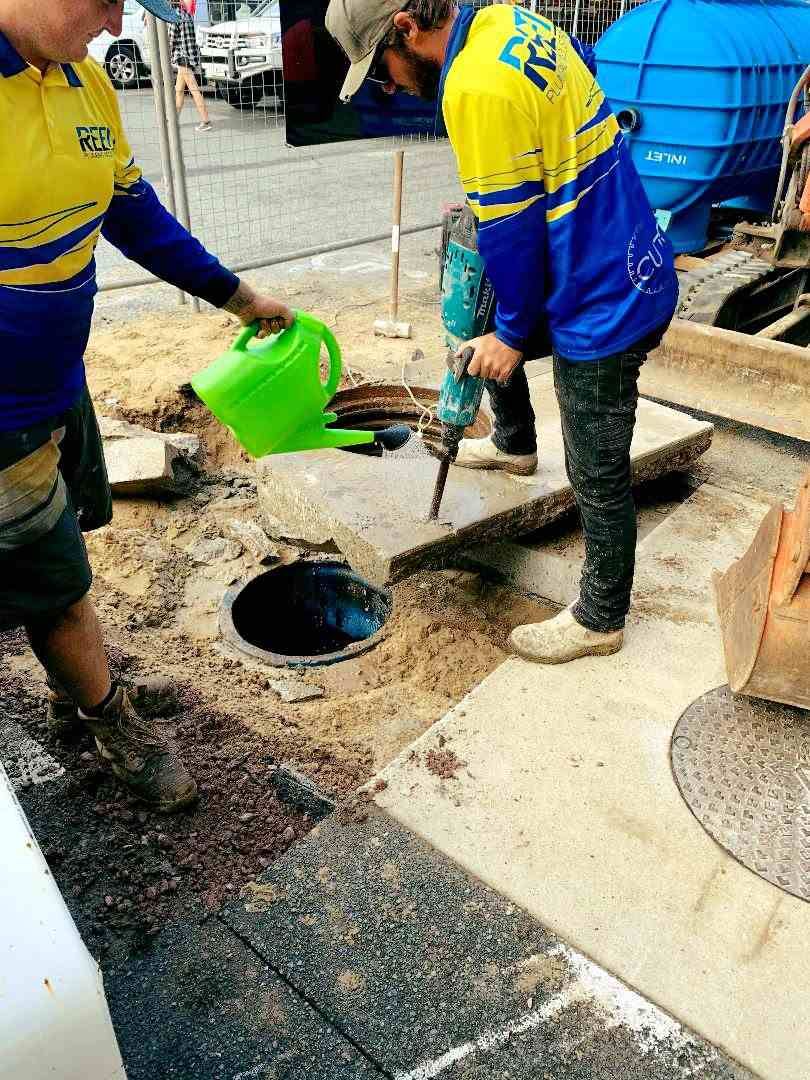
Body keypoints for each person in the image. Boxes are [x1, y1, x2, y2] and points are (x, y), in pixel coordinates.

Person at [0, 0, 294, 810]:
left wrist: (238, 298)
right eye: (104, 1)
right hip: (1, 413)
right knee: (52, 578)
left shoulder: (85, 83)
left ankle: (68, 691)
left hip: (59, 381)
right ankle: (109, 720)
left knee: (70, 538)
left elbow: (135, 216)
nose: (117, 22)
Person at [326, 0, 678, 664]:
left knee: (596, 470)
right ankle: (514, 444)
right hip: (613, 244)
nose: (391, 86)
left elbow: (513, 233)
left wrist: (513, 335)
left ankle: (601, 617)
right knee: (481, 318)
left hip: (604, 294)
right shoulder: (509, 21)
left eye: (385, 70)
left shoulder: (474, 85)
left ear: (406, 28)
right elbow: (586, 68)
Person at [170, 0, 212, 132]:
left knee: (193, 89)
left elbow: (170, 40)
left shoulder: (174, 16)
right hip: (189, 56)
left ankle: (205, 120)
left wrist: (166, 55)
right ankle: (173, 120)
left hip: (182, 57)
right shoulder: (187, 14)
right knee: (179, 90)